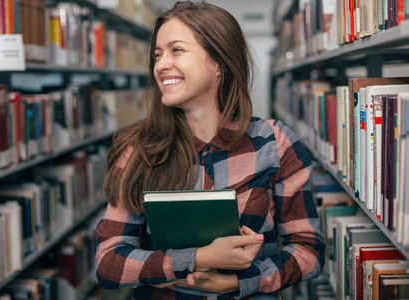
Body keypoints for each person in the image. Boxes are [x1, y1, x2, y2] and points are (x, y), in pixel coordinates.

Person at [95, 1, 325, 299]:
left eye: (176, 50)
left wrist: (241, 282)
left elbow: (309, 251)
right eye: (157, 54)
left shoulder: (275, 143)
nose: (161, 65)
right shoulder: (139, 150)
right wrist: (200, 258)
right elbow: (108, 262)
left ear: (218, 63)